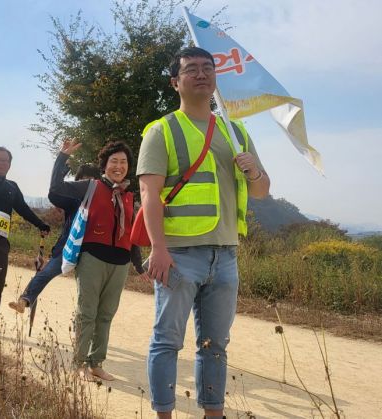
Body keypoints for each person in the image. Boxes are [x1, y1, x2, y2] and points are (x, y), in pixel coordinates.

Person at [137, 47, 270, 419]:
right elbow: (148, 192)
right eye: (191, 69)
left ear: (216, 78)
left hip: (225, 254)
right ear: (175, 82)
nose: (201, 74)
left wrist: (253, 172)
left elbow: (262, 190)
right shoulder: (162, 130)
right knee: (167, 342)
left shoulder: (236, 129)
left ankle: (214, 413)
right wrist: (158, 249)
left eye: (207, 69)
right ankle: (164, 413)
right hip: (179, 254)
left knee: (216, 345)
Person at [49, 139, 144, 382]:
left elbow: (131, 232)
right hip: (92, 258)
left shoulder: (128, 195)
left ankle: (96, 363)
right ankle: (78, 363)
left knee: (106, 315)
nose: (119, 166)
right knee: (87, 313)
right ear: (104, 165)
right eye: (114, 161)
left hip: (120, 262)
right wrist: (62, 158)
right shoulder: (90, 187)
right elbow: (56, 189)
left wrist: (138, 263)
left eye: (123, 162)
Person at [0, 127, 51, 338]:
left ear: (10, 165)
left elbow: (23, 209)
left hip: (1, 239)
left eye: (5, 161)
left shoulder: (13, 186)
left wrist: (41, 224)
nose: (1, 163)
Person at [8, 163, 99, 313]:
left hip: (91, 251)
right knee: (46, 273)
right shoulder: (72, 200)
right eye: (83, 179)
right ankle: (24, 300)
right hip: (68, 247)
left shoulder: (102, 202)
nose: (86, 182)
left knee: (88, 290)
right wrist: (61, 174)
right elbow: (54, 195)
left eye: (91, 179)